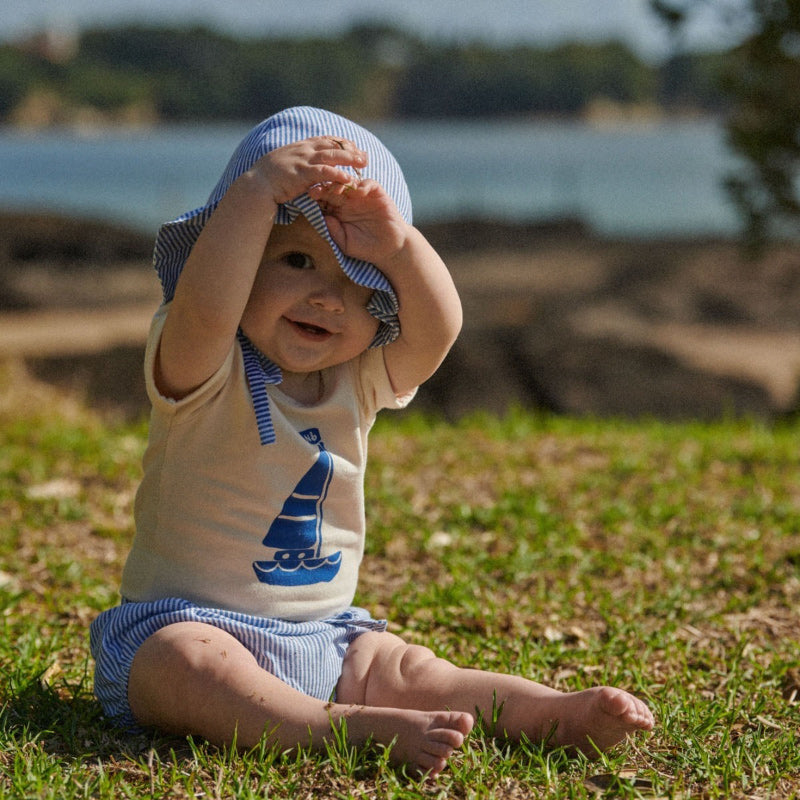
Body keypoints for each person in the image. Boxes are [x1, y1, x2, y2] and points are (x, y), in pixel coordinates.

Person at [90, 106, 654, 777]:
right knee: (190, 667)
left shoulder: (354, 381)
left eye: (356, 285)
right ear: (237, 259)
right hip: (183, 622)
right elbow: (208, 303)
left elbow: (438, 330)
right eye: (295, 259)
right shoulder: (205, 363)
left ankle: (541, 711)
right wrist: (254, 196)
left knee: (414, 668)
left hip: (331, 637)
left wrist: (398, 248)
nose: (325, 299)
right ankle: (329, 731)